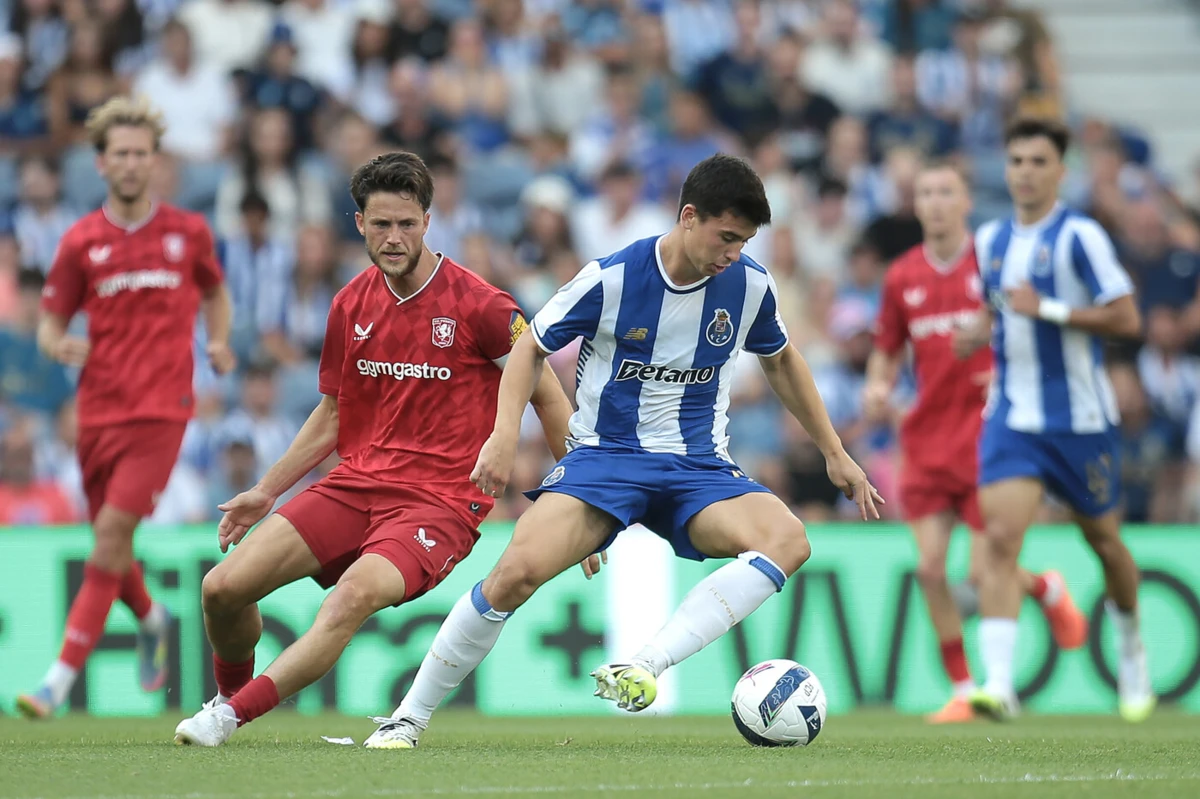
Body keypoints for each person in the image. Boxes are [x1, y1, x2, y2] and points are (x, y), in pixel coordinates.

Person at [363, 153, 884, 750]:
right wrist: (504, 434)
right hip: (605, 462)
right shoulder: (612, 277)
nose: (732, 254)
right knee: (513, 575)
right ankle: (408, 717)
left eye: (742, 242)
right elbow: (530, 346)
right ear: (689, 217)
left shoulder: (748, 286)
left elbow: (782, 360)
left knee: (789, 540)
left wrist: (834, 450)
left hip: (698, 468)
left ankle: (646, 665)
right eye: (726, 237)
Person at [171, 151, 574, 746]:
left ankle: (227, 719)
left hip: (438, 505)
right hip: (357, 483)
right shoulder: (350, 304)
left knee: (349, 598)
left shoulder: (482, 306)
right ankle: (230, 698)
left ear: (428, 221)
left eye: (407, 224)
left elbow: (549, 397)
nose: (394, 238)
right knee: (222, 590)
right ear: (357, 223)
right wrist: (266, 490)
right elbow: (333, 413)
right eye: (381, 224)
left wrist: (572, 498)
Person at [17, 96, 235, 719]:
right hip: (99, 411)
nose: (134, 164)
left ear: (155, 160)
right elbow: (51, 322)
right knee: (108, 541)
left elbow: (216, 294)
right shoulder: (83, 241)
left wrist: (218, 341)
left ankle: (56, 680)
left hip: (162, 412)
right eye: (122, 154)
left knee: (112, 533)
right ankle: (151, 617)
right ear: (102, 163)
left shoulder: (187, 232)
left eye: (143, 153)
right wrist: (60, 342)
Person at [863, 159, 1087, 724]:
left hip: (992, 438)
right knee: (932, 571)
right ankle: (965, 689)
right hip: (927, 440)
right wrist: (877, 382)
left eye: (946, 192)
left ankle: (1040, 591)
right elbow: (887, 346)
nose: (935, 202)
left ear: (967, 202)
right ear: (915, 206)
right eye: (926, 193)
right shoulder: (901, 278)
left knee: (984, 574)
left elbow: (1038, 325)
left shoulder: (992, 264)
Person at [953, 118, 1152, 722]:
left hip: (1082, 422)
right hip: (1013, 417)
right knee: (999, 542)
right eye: (1016, 161)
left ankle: (1131, 646)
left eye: (1038, 161)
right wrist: (977, 331)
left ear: (1060, 171)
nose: (1025, 172)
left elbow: (1127, 320)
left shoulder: (1081, 237)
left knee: (1106, 543)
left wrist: (1053, 310)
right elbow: (998, 310)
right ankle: (1000, 683)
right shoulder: (988, 240)